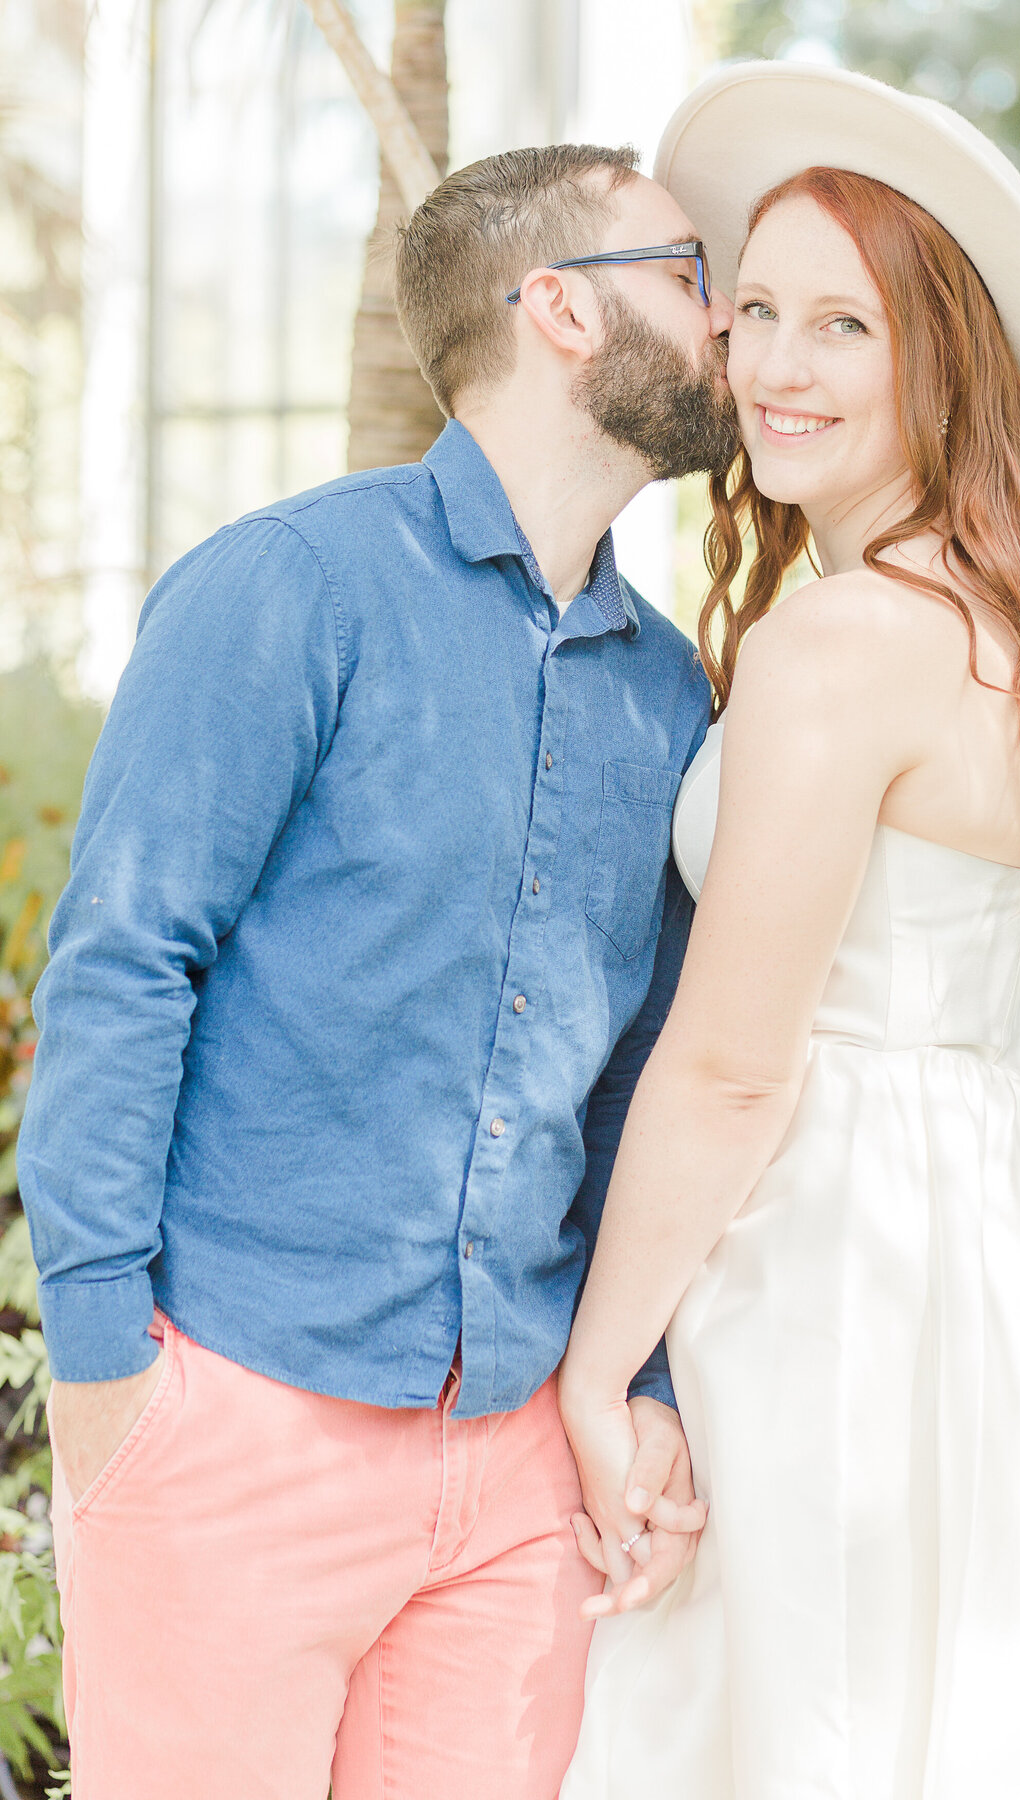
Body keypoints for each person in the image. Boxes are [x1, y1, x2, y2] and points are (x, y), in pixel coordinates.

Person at [17, 143, 736, 1799]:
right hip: (237, 1414)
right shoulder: (289, 589)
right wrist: (110, 1378)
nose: (724, 323)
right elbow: (126, 969)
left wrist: (637, 1386)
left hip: (512, 1472)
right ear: (558, 308)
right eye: (687, 272)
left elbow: (645, 1080)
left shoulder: (672, 694)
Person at [559, 64, 1020, 1800]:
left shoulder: (836, 648)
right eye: (751, 307)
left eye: (841, 324)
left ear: (940, 359)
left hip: (838, 1247)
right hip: (1012, 1228)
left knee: (800, 1714)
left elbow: (734, 1068)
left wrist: (598, 1367)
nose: (771, 364)